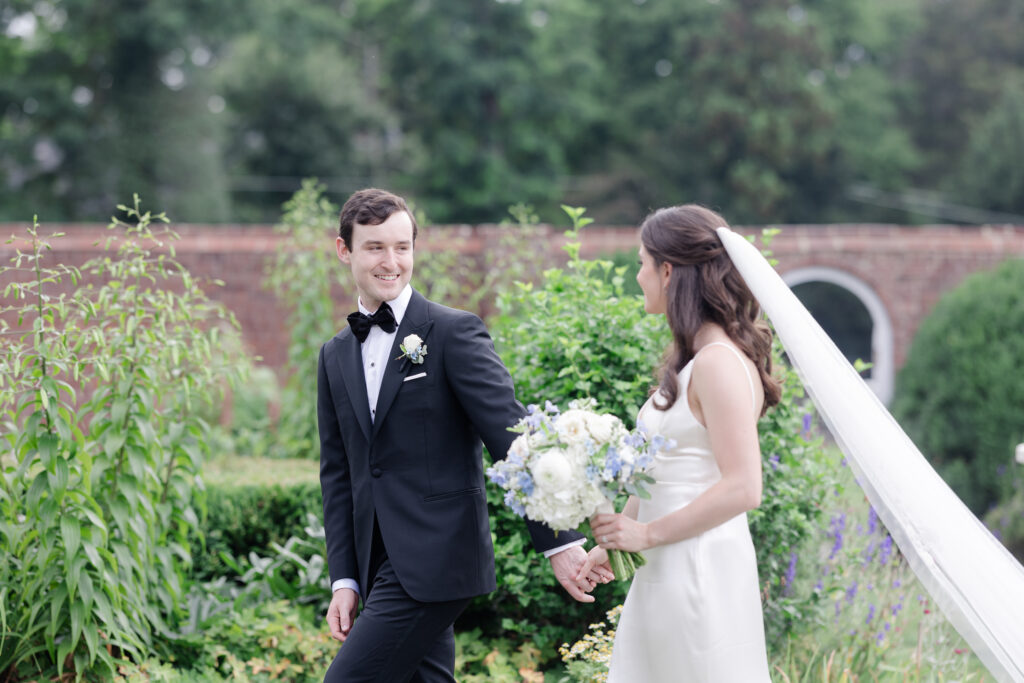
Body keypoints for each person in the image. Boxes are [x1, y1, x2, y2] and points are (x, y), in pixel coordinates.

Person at [317, 188, 603, 683]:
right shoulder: (334, 354)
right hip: (377, 564)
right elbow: (339, 472)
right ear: (345, 250)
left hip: (438, 558)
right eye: (375, 247)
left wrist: (559, 543)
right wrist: (344, 577)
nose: (392, 261)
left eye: (402, 247)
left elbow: (513, 439)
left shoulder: (453, 333)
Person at [578, 204, 780, 681]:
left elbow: (744, 487)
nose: (638, 276)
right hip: (663, 567)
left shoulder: (718, 363)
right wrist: (617, 538)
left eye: (642, 263)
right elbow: (668, 473)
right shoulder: (696, 362)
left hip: (697, 569)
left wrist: (645, 535)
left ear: (668, 271)